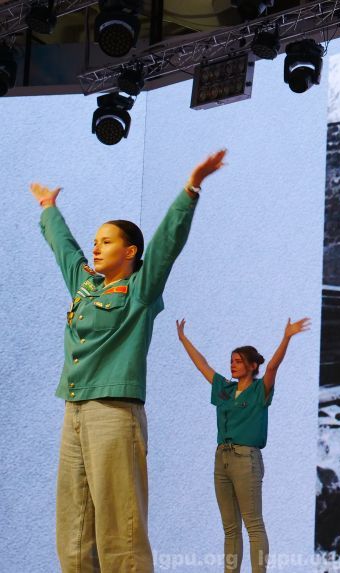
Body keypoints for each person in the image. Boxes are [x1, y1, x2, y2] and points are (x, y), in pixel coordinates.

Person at [32, 149, 227, 572]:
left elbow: (166, 246)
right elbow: (65, 250)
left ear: (130, 251)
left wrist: (190, 190)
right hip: (74, 410)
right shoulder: (87, 286)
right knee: (73, 534)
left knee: (121, 534)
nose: (96, 247)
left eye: (106, 241)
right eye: (96, 241)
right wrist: (49, 208)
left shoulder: (140, 289)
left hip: (114, 414)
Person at [175, 317, 309, 573]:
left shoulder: (259, 390)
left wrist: (286, 337)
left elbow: (273, 367)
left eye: (238, 361)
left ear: (252, 366)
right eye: (232, 361)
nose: (233, 365)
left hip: (246, 460)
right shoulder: (225, 389)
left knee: (253, 525)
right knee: (230, 528)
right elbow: (202, 365)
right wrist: (183, 339)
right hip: (222, 459)